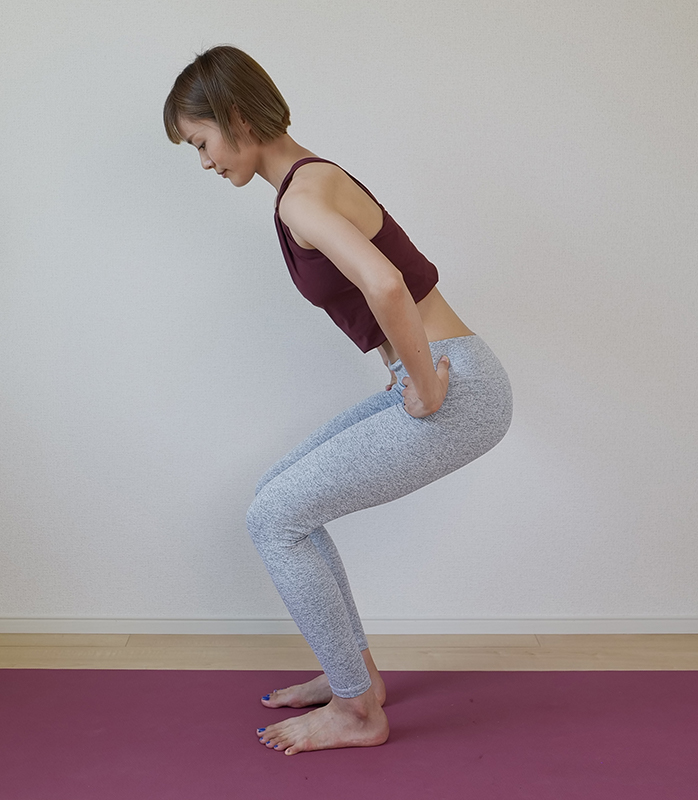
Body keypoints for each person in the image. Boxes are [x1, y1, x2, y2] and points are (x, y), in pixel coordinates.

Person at [163, 45, 513, 756]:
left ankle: (357, 711)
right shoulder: (310, 180)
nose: (203, 162)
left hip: (459, 386)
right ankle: (356, 676)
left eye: (201, 142)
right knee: (277, 496)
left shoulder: (301, 195)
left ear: (236, 117)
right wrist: (411, 374)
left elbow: (385, 285)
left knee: (274, 517)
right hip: (448, 373)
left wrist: (423, 382)